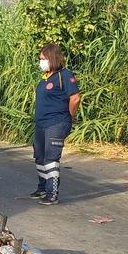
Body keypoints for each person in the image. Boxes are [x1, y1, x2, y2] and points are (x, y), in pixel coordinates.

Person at [31, 43, 81, 205]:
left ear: (52, 58)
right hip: (41, 124)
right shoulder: (46, 77)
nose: (41, 62)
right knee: (40, 156)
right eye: (40, 59)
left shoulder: (64, 75)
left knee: (51, 158)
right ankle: (43, 188)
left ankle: (52, 194)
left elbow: (75, 98)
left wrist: (69, 116)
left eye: (43, 59)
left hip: (57, 123)